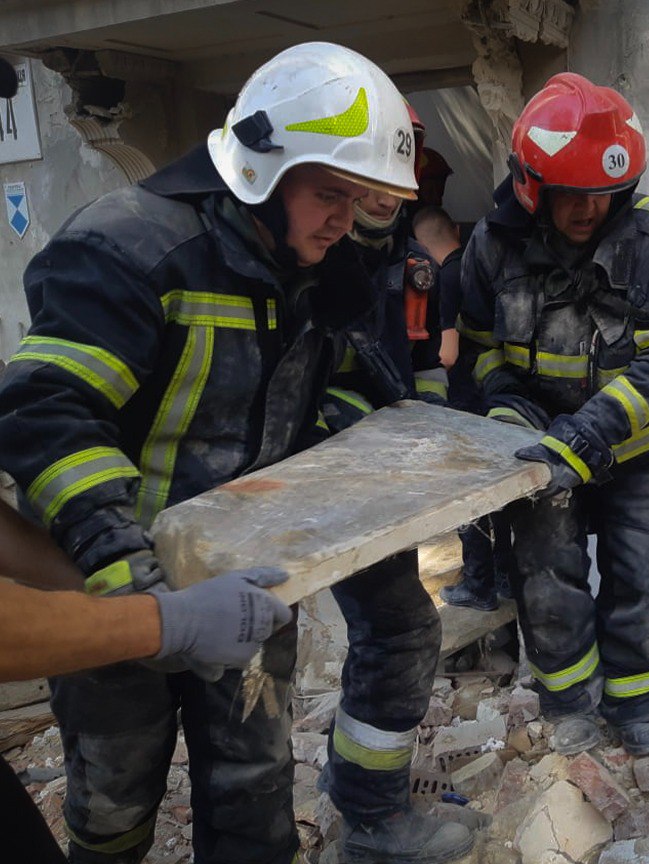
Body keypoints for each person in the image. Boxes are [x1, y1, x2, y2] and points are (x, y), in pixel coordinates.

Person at [0, 42, 418, 864]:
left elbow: (346, 384)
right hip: (104, 576)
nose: (345, 219)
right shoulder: (131, 248)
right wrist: (134, 592)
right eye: (329, 193)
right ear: (261, 170)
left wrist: (319, 486)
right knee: (115, 798)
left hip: (245, 583)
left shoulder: (316, 269)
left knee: (254, 790)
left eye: (358, 199)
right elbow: (47, 414)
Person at [457, 73, 649, 758]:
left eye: (604, 192)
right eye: (572, 192)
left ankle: (637, 703)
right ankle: (569, 702)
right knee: (547, 580)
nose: (590, 208)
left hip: (639, 450)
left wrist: (587, 433)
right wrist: (506, 407)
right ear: (531, 184)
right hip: (540, 449)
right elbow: (476, 349)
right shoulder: (493, 244)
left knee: (646, 580)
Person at [315, 124, 475, 864]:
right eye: (366, 181)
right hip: (322, 483)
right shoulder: (317, 259)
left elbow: (425, 365)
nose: (382, 197)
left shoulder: (414, 268)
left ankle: (353, 788)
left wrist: (428, 434)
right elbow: (309, 385)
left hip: (384, 485)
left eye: (395, 182)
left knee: (388, 630)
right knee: (402, 629)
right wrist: (370, 431)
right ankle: (371, 819)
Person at [0, 500, 293, 864]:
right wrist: (170, 622)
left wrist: (103, 586)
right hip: (98, 560)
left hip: (229, 546)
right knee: (112, 791)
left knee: (254, 782)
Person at [413, 205, 514, 612]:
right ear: (455, 229)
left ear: (420, 246)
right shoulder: (479, 268)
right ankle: (505, 576)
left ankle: (478, 585)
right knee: (501, 497)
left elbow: (449, 353)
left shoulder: (443, 278)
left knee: (468, 498)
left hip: (465, 402)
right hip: (499, 399)